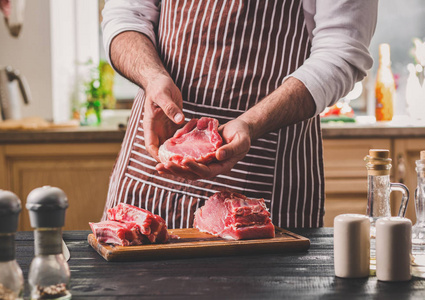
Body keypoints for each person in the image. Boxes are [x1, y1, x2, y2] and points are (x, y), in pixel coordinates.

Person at [101, 0, 378, 229]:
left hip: (263, 171)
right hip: (151, 166)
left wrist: (251, 123)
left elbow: (341, 51)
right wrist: (152, 77)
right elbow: (126, 15)